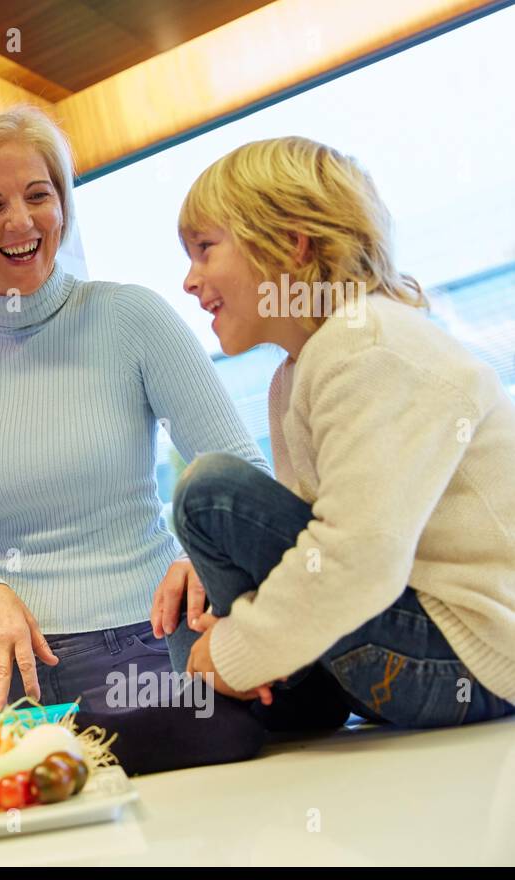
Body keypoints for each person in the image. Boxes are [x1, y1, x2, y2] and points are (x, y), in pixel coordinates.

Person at [0, 106, 268, 771]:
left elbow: (237, 476)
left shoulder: (132, 317)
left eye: (38, 195)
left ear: (62, 207)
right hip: (10, 671)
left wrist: (204, 560)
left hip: (156, 645)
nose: (21, 221)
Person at [171, 136, 515, 728]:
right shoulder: (299, 372)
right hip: (429, 649)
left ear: (290, 243)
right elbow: (311, 549)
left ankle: (257, 688)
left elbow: (360, 556)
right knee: (204, 543)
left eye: (205, 249)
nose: (190, 280)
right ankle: (278, 690)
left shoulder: (365, 345)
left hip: (475, 659)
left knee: (210, 493)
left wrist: (234, 648)